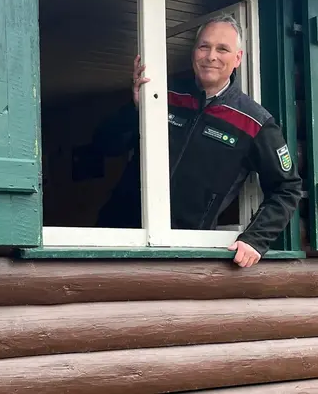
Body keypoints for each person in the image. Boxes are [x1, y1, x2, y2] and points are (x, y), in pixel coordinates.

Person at [91, 14, 303, 268]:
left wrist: (255, 239)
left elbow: (287, 188)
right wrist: (135, 110)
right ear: (194, 52)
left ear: (237, 59)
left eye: (222, 49)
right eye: (204, 46)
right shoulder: (163, 92)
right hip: (116, 234)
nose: (211, 56)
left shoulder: (254, 121)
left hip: (185, 246)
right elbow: (104, 144)